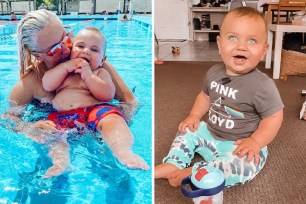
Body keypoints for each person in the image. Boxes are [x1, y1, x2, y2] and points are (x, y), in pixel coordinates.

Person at [155, 7, 284, 188]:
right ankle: (174, 162)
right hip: (210, 134)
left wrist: (256, 142)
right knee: (187, 129)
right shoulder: (213, 72)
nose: (241, 46)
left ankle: (196, 172)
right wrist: (194, 116)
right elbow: (205, 96)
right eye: (232, 38)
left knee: (245, 165)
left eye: (252, 41)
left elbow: (274, 117)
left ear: (263, 50)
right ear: (219, 43)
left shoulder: (262, 85)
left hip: (239, 145)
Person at [8, 9, 139, 177]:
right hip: (59, 128)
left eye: (66, 38)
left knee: (115, 176)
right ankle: (61, 164)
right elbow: (8, 118)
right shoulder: (30, 84)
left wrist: (114, 122)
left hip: (96, 123)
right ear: (37, 55)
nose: (65, 49)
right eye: (54, 49)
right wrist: (31, 128)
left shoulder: (95, 66)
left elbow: (130, 102)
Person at [40, 27, 149, 178]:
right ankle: (60, 162)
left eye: (94, 49)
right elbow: (47, 84)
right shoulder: (63, 70)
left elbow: (107, 95)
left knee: (114, 120)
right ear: (71, 50)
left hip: (95, 112)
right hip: (62, 117)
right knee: (50, 133)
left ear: (103, 60)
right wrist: (65, 67)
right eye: (80, 46)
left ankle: (123, 150)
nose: (85, 51)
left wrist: (89, 77)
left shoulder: (100, 72)